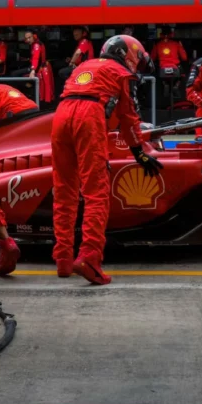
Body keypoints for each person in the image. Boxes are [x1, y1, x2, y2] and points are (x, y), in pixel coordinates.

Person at [52, 35, 162, 285]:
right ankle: (89, 257)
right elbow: (129, 118)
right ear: (129, 55)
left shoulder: (83, 66)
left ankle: (63, 260)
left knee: (64, 191)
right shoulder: (121, 73)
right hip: (88, 118)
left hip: (61, 115)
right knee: (96, 192)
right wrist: (140, 153)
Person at [25, 29, 55, 105]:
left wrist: (33, 70)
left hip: (42, 69)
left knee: (44, 90)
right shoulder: (34, 44)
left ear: (34, 36)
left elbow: (36, 58)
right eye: (26, 38)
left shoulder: (36, 45)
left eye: (29, 37)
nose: (28, 40)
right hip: (41, 68)